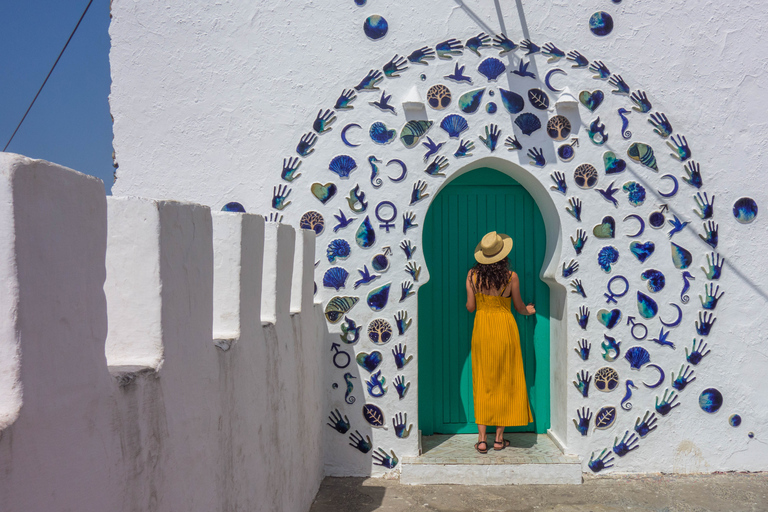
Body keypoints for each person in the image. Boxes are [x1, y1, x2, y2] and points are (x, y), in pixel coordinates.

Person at [465, 231, 535, 454]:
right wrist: (529, 311)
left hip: (483, 329)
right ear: (503, 255)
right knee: (505, 380)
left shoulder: (472, 275)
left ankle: (482, 439)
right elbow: (519, 306)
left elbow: (470, 307)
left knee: (483, 382)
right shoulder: (511, 276)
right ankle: (499, 439)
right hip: (505, 329)